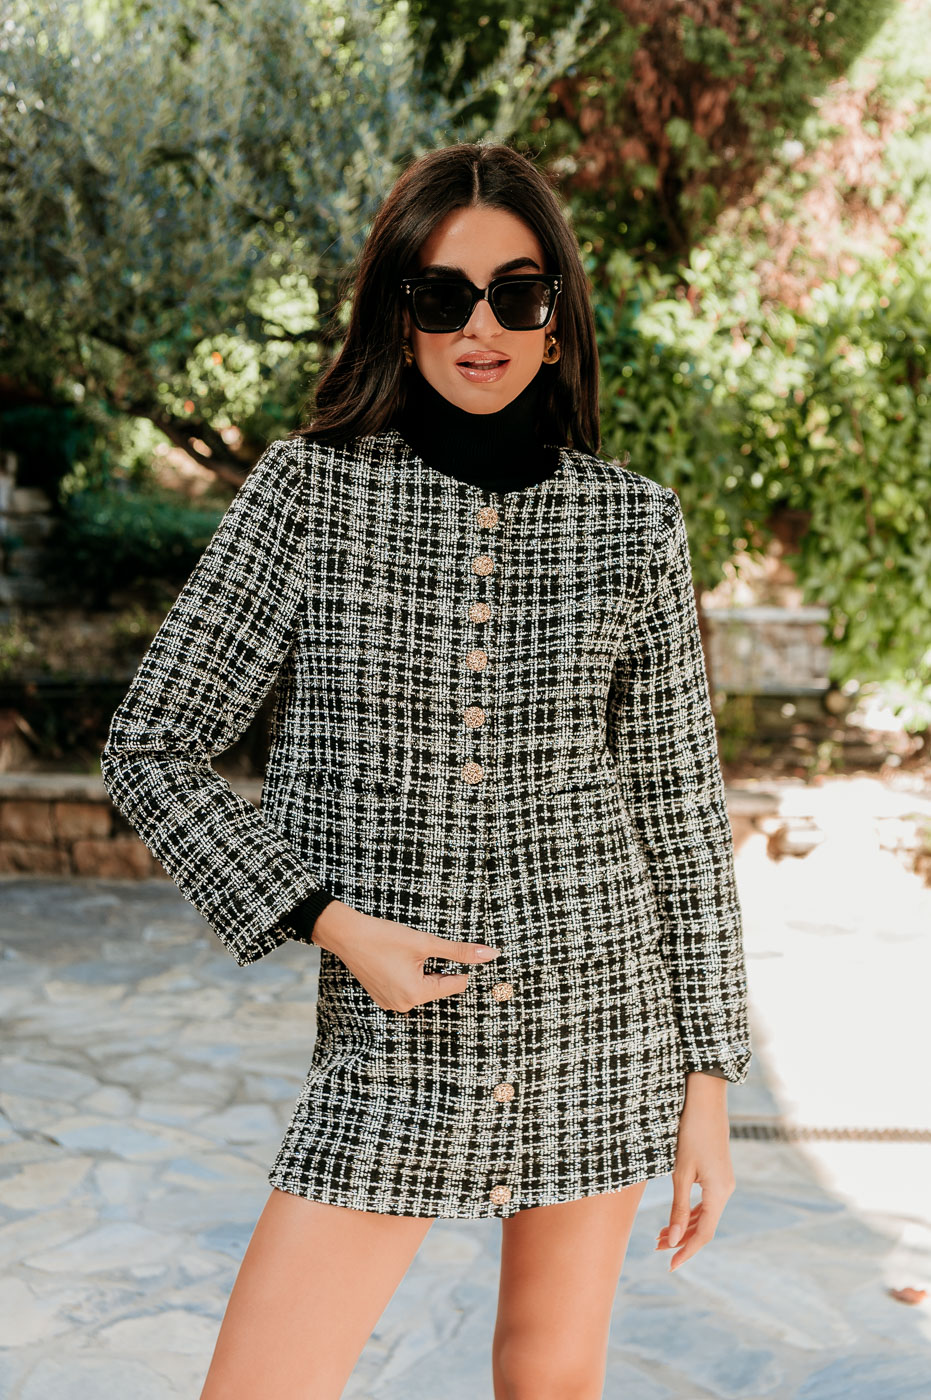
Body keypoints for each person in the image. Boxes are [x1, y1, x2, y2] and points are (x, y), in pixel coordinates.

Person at [101, 140, 752, 1400]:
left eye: (516, 293)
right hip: (392, 1034)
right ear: (400, 317)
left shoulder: (634, 522)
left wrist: (708, 1083)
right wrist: (333, 923)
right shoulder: (306, 494)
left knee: (549, 1379)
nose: (480, 327)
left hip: (598, 1019)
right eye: (443, 296)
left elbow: (679, 811)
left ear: (556, 319)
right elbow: (150, 746)